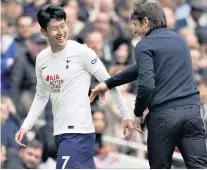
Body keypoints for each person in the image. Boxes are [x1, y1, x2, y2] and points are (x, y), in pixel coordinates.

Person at [90, 2, 207, 169]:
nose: (135, 31)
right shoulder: (180, 41)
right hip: (192, 114)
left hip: (164, 117)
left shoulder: (144, 45)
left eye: (136, 25)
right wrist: (109, 83)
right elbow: (141, 68)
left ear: (146, 22)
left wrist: (138, 112)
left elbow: (146, 85)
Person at [15, 5, 133, 169]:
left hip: (78, 132)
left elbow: (109, 82)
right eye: (55, 28)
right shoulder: (42, 59)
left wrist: (126, 115)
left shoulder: (81, 52)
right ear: (43, 32)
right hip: (60, 132)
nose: (61, 32)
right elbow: (41, 96)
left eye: (63, 26)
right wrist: (25, 126)